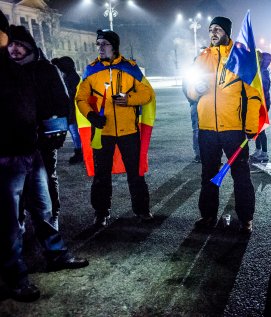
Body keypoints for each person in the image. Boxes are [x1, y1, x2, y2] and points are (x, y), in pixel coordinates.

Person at [0, 19, 88, 303]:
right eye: (8, 40)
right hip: (7, 156)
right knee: (10, 221)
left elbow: (43, 105)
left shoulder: (23, 70)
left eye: (15, 41)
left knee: (44, 207)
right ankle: (15, 278)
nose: (12, 47)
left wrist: (49, 130)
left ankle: (56, 254)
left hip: (32, 150)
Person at [185, 16, 261, 233]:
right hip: (207, 128)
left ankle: (246, 218)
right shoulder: (202, 58)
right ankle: (208, 215)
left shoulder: (239, 57)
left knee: (241, 176)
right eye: (210, 29)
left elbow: (253, 94)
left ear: (227, 32)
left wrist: (250, 125)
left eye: (217, 29)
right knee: (208, 174)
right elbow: (190, 91)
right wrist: (195, 90)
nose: (213, 33)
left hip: (233, 128)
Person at [75, 29, 155, 226]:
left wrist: (129, 99)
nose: (100, 47)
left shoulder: (130, 68)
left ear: (114, 46)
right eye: (98, 44)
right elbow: (81, 98)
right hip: (102, 133)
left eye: (105, 44)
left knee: (135, 174)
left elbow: (147, 94)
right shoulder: (91, 70)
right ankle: (101, 212)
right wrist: (91, 115)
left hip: (129, 132)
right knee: (101, 176)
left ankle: (142, 210)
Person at [51, 56, 83, 165]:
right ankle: (79, 151)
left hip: (72, 108)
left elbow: (72, 94)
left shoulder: (72, 77)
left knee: (74, 131)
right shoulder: (68, 76)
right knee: (73, 131)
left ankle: (80, 152)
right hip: (70, 107)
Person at [182, 46, 207, 163]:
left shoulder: (210, 67)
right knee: (197, 129)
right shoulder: (193, 70)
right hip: (196, 104)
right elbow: (185, 87)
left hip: (208, 105)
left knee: (209, 130)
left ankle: (208, 153)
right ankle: (199, 154)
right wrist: (191, 100)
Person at [250, 50, 271, 163]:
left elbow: (265, 87)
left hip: (262, 104)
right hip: (255, 103)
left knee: (261, 129)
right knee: (256, 128)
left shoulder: (263, 71)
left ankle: (264, 153)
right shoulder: (256, 70)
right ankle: (258, 150)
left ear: (260, 59)